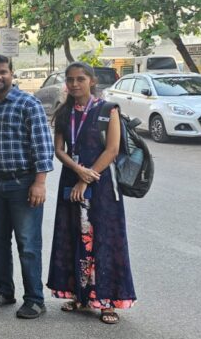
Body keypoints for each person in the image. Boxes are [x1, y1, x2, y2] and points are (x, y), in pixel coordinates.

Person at [47, 63, 136, 325]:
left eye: (80, 79)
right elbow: (59, 149)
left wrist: (86, 179)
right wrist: (77, 170)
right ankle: (79, 295)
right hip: (71, 179)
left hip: (102, 184)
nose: (74, 84)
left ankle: (107, 301)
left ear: (92, 81)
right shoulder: (63, 111)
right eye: (70, 80)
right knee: (73, 236)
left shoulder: (108, 110)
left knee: (104, 239)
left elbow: (112, 149)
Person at [0, 54, 55, 320]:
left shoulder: (28, 103)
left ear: (11, 74)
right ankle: (4, 291)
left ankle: (35, 299)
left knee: (28, 244)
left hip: (23, 184)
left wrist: (40, 183)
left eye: (2, 72)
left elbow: (43, 146)